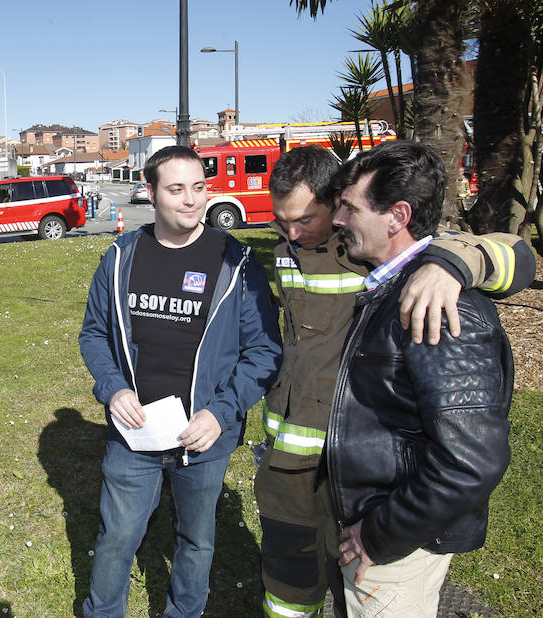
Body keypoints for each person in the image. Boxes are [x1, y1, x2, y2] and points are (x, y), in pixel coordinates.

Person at [256, 145, 534, 618]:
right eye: (282, 222)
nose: (294, 232)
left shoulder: (419, 285)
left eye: (318, 215)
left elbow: (515, 256)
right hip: (305, 456)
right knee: (303, 576)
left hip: (362, 478)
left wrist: (452, 264)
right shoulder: (290, 254)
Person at [78, 145, 283, 617]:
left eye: (198, 187)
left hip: (204, 433)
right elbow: (93, 334)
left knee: (196, 539)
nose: (191, 200)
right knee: (116, 538)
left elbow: (265, 350)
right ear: (150, 193)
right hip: (136, 431)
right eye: (176, 189)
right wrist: (113, 388)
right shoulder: (120, 259)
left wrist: (221, 411)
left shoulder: (237, 263)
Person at [327, 141, 513, 617]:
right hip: (375, 521)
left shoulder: (436, 306)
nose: (337, 219)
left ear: (397, 216)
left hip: (394, 546)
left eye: (350, 207)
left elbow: (470, 462)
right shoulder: (396, 282)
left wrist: (379, 534)